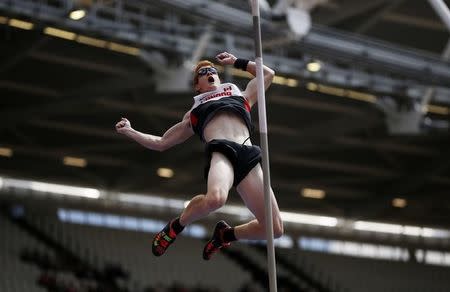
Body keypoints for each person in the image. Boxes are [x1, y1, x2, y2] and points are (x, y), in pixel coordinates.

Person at [115, 52, 284, 260]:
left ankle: (225, 235)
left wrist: (235, 62)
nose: (210, 73)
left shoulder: (241, 95)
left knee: (274, 229)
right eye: (204, 72)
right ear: (197, 86)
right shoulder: (194, 111)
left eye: (213, 71)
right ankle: (176, 226)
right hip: (222, 151)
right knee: (216, 199)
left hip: (248, 154)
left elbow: (267, 74)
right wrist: (131, 131)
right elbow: (161, 143)